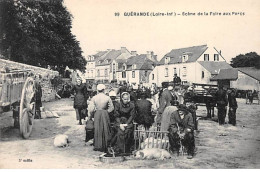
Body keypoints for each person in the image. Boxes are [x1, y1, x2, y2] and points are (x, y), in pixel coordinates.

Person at [90, 84, 114, 152]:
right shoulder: (107, 97)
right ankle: (106, 144)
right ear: (104, 90)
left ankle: (98, 145)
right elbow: (112, 108)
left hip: (97, 113)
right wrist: (107, 112)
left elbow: (91, 109)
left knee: (97, 128)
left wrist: (92, 114)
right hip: (105, 113)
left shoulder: (94, 98)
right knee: (105, 128)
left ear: (97, 90)